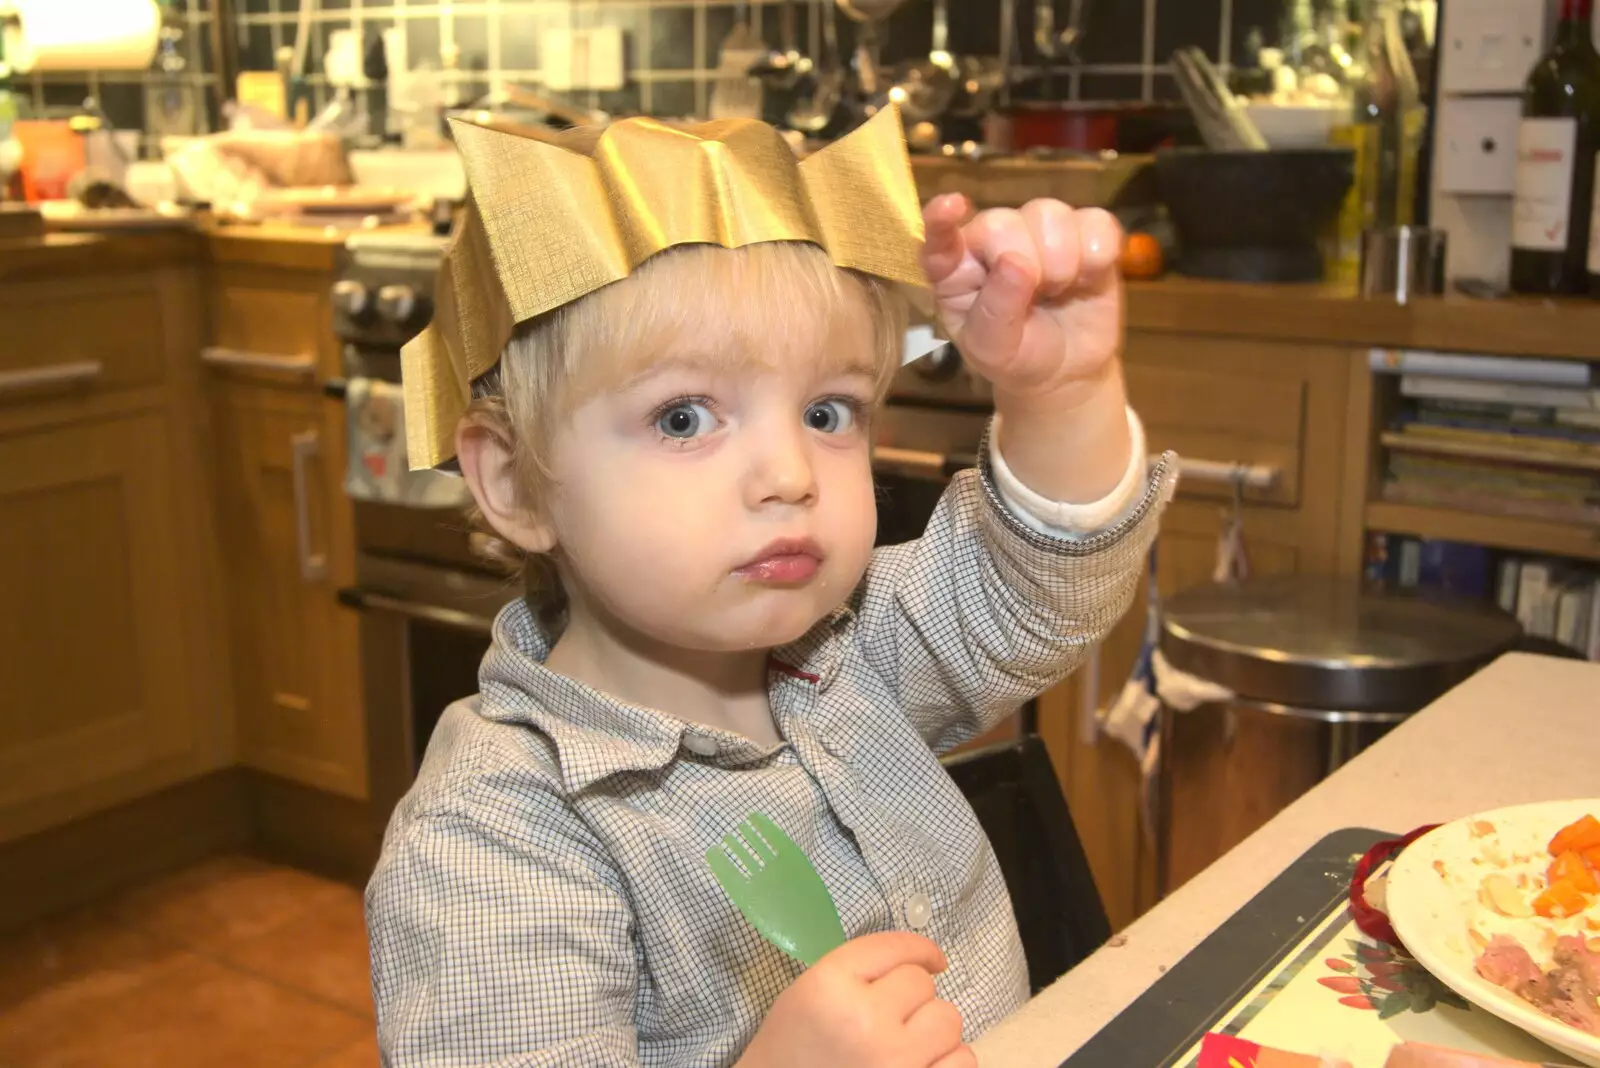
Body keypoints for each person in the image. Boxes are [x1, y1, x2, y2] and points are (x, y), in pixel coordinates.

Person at [366, 105, 1176, 1068]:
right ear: (511, 479)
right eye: (682, 419)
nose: (791, 473)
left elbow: (1032, 591)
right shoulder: (494, 843)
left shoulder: (850, 650)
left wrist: (1062, 394)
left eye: (829, 410)